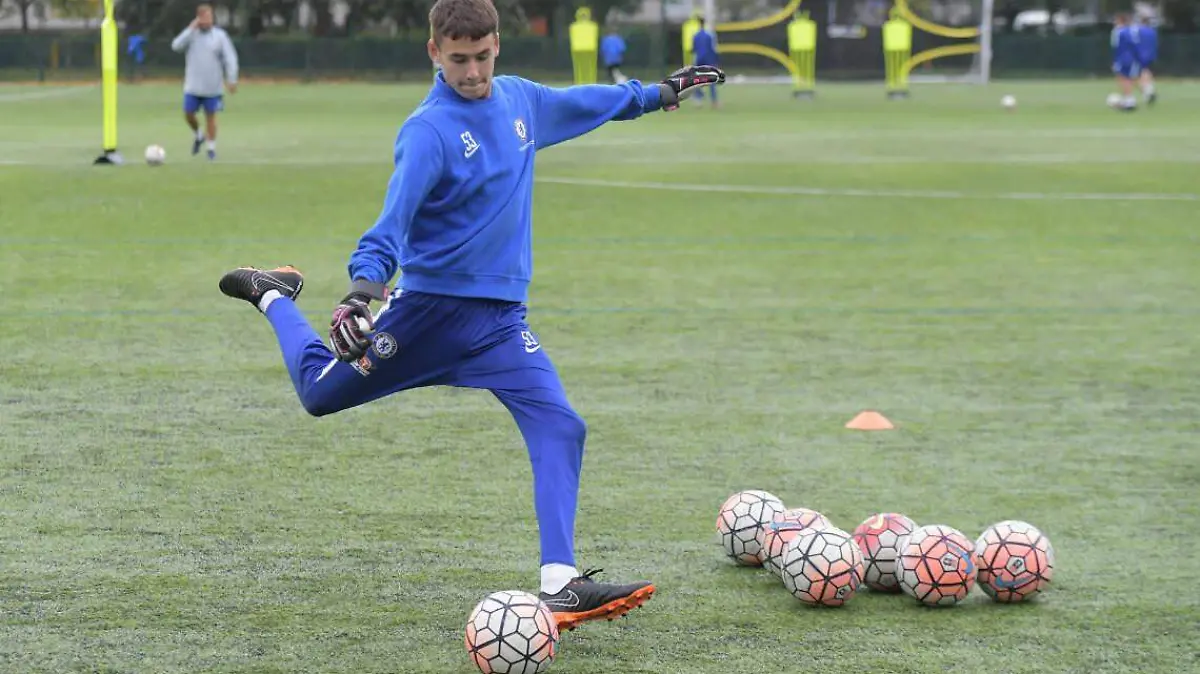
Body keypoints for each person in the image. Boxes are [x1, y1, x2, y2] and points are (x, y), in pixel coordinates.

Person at [218, 0, 723, 632]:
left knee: (563, 424)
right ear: (435, 53)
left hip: (502, 322)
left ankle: (560, 582)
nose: (474, 72)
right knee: (318, 397)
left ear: (497, 47)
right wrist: (359, 292)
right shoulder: (427, 132)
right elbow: (390, 225)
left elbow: (585, 103)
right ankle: (272, 296)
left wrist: (656, 94)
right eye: (459, 59)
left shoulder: (519, 101)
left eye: (483, 56)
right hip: (428, 316)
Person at [171, 3, 239, 160]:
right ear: (198, 18)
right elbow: (175, 46)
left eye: (209, 17)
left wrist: (232, 79)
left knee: (211, 117)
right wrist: (190, 28)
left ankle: (211, 148)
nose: (207, 20)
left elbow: (230, 58)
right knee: (188, 114)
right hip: (193, 85)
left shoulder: (220, 36)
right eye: (203, 17)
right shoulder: (191, 35)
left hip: (213, 86)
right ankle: (198, 134)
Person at [1109, 13, 1138, 112]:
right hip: (1132, 58)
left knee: (1122, 78)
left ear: (1120, 21)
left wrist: (1115, 60)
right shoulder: (1132, 31)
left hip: (1122, 58)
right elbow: (1135, 45)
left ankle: (1129, 101)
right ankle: (1129, 100)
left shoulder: (1117, 31)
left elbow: (1115, 47)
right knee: (1128, 78)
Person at [691, 20, 720, 108]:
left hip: (699, 59)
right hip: (708, 60)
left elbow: (694, 49)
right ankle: (714, 101)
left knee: (697, 80)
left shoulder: (695, 36)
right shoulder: (710, 35)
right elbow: (713, 49)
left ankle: (698, 100)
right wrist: (716, 61)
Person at [1132, 13, 1158, 106]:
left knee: (1136, 76)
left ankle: (1148, 92)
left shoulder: (1137, 31)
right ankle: (1149, 91)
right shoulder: (1152, 31)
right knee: (1146, 72)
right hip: (1150, 55)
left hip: (1139, 55)